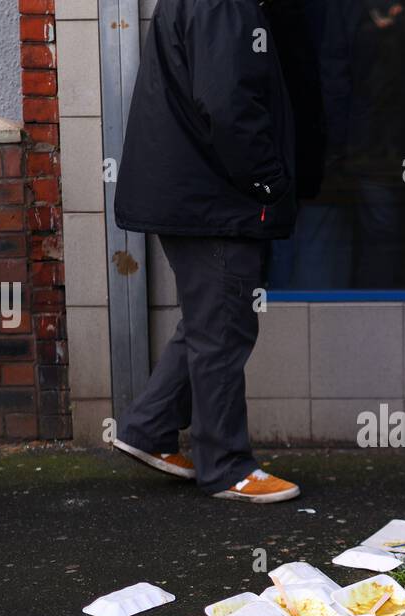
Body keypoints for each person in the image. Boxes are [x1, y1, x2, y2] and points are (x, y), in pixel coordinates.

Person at [112, 0, 301, 503]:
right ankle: (225, 467)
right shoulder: (222, 4)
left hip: (194, 194)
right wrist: (268, 181)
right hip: (212, 200)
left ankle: (146, 428)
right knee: (222, 328)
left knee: (212, 320)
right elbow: (227, 104)